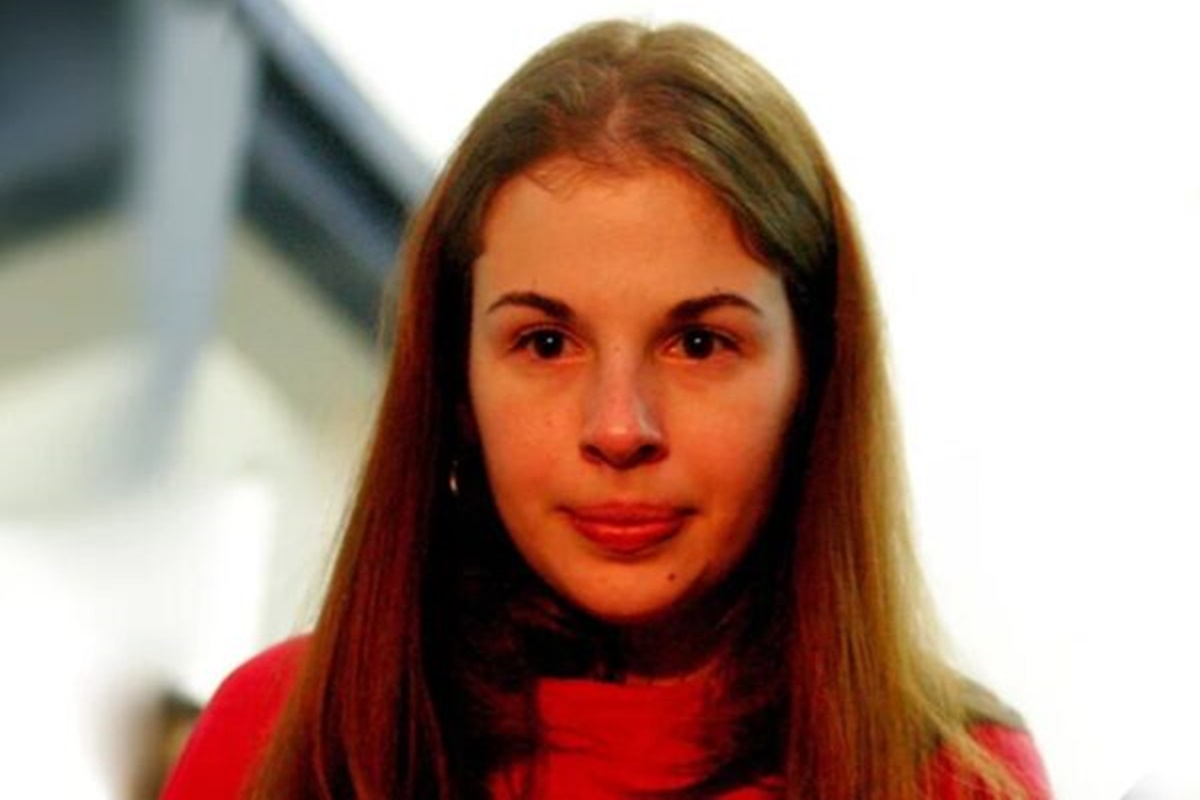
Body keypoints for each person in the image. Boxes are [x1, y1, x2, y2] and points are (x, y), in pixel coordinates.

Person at [162, 19, 1051, 800]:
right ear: (456, 383)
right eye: (547, 343)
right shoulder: (279, 735)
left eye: (698, 343)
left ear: (814, 378)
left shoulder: (952, 779)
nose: (619, 429)